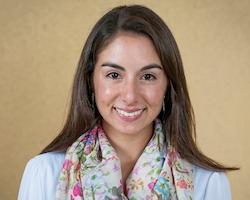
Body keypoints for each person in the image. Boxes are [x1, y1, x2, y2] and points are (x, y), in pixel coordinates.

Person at [18, 5, 238, 200]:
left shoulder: (208, 184)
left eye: (148, 76)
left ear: (168, 85)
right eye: (114, 75)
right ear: (90, 80)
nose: (130, 96)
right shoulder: (44, 174)